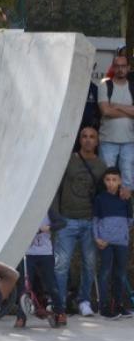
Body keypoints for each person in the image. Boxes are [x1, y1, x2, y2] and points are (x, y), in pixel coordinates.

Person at [50, 125, 106, 316]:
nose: (88, 140)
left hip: (90, 221)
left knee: (89, 264)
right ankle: (59, 303)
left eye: (92, 137)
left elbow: (103, 195)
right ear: (79, 139)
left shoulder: (101, 165)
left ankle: (84, 301)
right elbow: (56, 188)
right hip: (67, 220)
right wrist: (56, 216)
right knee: (61, 264)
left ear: (97, 141)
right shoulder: (68, 160)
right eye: (84, 136)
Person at [92, 167, 134, 319]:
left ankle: (119, 305)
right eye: (108, 180)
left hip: (121, 242)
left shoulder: (126, 198)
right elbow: (95, 220)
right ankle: (104, 307)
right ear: (104, 181)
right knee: (105, 273)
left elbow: (130, 220)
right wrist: (97, 238)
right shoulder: (100, 199)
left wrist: (121, 232)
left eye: (114, 180)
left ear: (120, 181)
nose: (111, 183)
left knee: (120, 274)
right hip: (105, 242)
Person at [14, 216, 66, 328]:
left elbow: (62, 222)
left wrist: (48, 227)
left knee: (51, 285)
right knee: (24, 285)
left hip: (45, 254)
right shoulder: (24, 213)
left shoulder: (48, 212)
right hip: (28, 255)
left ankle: (60, 312)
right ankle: (21, 317)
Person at [97, 54, 134, 189]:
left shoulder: (132, 87)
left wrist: (117, 106)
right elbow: (106, 111)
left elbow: (110, 109)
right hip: (108, 141)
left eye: (123, 66)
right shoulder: (105, 85)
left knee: (128, 180)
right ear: (113, 67)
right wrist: (129, 110)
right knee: (107, 180)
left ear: (128, 68)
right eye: (117, 66)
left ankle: (127, 202)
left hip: (129, 141)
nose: (120, 69)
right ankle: (108, 202)